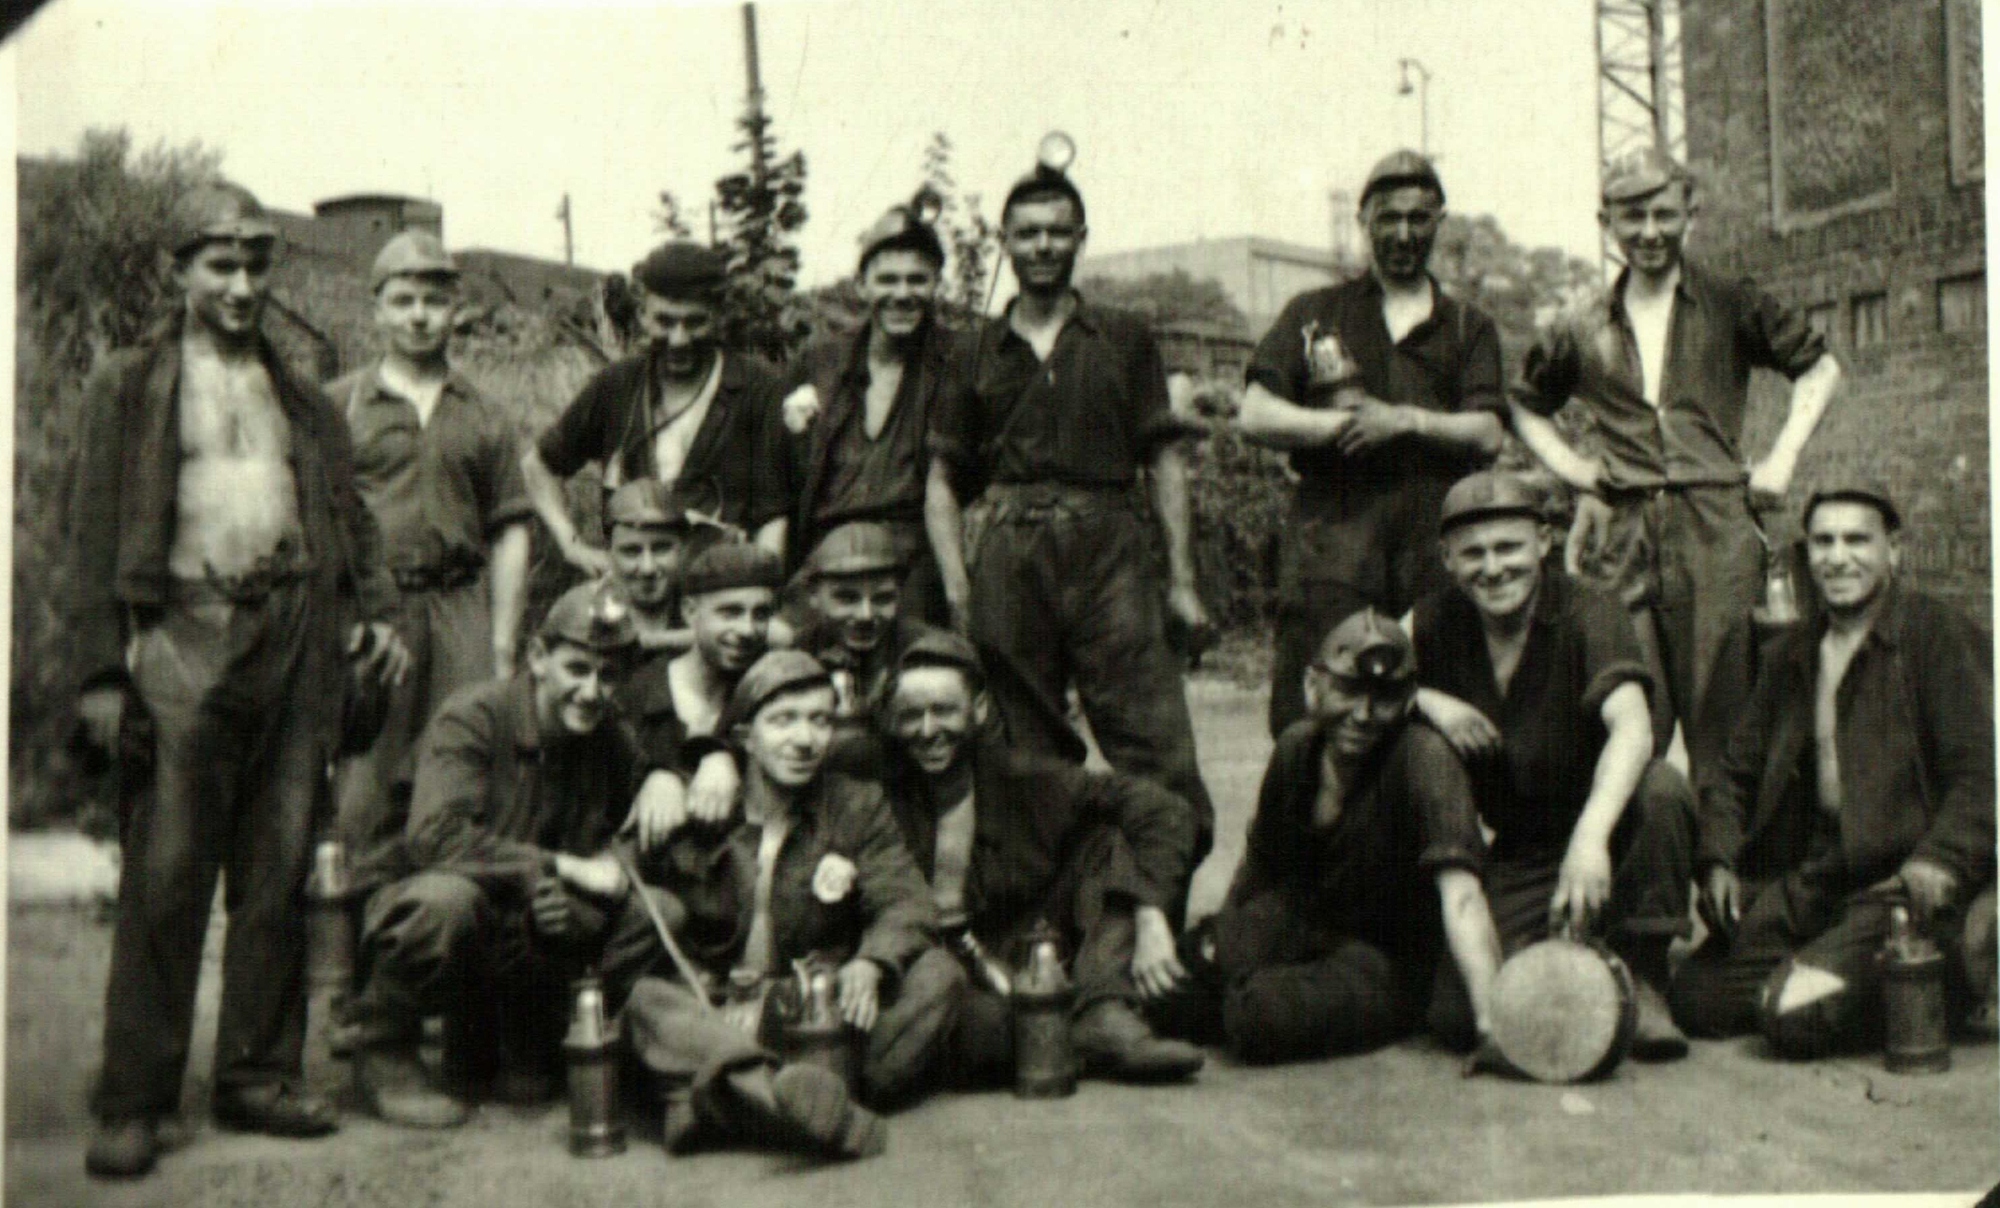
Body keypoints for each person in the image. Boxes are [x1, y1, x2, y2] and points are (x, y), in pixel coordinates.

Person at [67, 182, 409, 1178]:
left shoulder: (300, 393)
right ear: (180, 269)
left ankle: (257, 1074)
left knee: (278, 868)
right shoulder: (130, 384)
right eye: (220, 264)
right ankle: (135, 1096)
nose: (242, 285)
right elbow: (90, 535)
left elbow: (349, 518)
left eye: (257, 264)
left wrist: (375, 612)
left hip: (295, 635)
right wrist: (101, 673)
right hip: (183, 632)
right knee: (167, 871)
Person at [1509, 147, 1842, 778]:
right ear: (1606, 222)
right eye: (1631, 218)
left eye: (1664, 214)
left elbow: (1820, 368)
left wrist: (1782, 459)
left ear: (1690, 213)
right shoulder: (1580, 324)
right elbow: (1523, 404)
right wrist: (1578, 472)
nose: (1649, 232)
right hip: (1623, 535)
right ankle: (1645, 840)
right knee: (1629, 719)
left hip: (1716, 532)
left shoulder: (1730, 301)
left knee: (1729, 727)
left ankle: (1725, 843)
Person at [925, 145, 1215, 869]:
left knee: (1155, 743)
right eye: (1027, 233)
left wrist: (1181, 583)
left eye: (1058, 231)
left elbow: (1163, 459)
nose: (1043, 246)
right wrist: (958, 585)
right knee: (1022, 753)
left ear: (1081, 239)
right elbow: (942, 479)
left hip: (1110, 549)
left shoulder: (1124, 337)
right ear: (1004, 241)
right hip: (1009, 551)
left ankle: (1154, 909)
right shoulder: (972, 350)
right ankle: (1051, 913)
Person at [1671, 483, 1995, 1055]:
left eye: (1856, 540)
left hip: (1902, 886)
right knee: (1697, 999)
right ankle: (1857, 974)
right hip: (1820, 879)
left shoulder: (1935, 634)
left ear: (1893, 550)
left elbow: (1980, 774)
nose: (1838, 558)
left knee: (1793, 1017)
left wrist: (1940, 861)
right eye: (1823, 542)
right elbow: (1736, 773)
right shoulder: (1792, 653)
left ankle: (1946, 973)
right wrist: (1718, 858)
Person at [347, 582, 684, 1128]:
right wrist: (562, 869)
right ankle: (383, 1047)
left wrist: (660, 782)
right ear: (538, 657)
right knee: (445, 902)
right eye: (577, 669)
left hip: (527, 929)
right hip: (434, 910)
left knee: (657, 912)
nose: (592, 691)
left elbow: (630, 831)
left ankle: (543, 1037)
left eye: (608, 675)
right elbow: (433, 838)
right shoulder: (474, 716)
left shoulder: (609, 737)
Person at [623, 651, 963, 1159]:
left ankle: (726, 1100)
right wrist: (661, 782)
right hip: (717, 1011)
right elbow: (624, 879)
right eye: (783, 720)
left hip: (815, 1012)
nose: (805, 739)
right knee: (645, 1001)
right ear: (745, 737)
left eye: (820, 720)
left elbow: (906, 902)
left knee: (940, 974)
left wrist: (871, 963)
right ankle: (806, 1109)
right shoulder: (697, 800)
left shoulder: (856, 803)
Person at [1413, 470, 1695, 1058]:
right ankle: (1576, 956)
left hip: (1609, 829)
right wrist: (1424, 699)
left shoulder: (1589, 608)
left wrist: (1590, 839)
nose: (1493, 568)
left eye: (1509, 547)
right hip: (1525, 847)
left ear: (1543, 541)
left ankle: (1643, 974)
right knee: (1455, 1013)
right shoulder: (1436, 619)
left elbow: (1633, 728)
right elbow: (1342, 683)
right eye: (1473, 553)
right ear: (1447, 558)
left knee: (1663, 789)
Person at [1235, 150, 1505, 738]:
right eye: (1388, 218)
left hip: (1431, 545)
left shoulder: (1467, 325)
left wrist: (1405, 420)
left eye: (1418, 218)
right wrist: (1338, 427)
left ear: (1438, 222)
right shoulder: (1315, 313)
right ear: (1364, 222)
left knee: (1439, 711)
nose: (1403, 234)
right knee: (1318, 710)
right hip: (1334, 537)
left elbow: (1487, 431)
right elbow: (1255, 413)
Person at [878, 630, 1206, 1083]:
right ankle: (1058, 1036)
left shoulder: (1031, 780)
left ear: (979, 709)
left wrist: (1149, 910)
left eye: (944, 710)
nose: (928, 730)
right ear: (891, 722)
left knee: (1106, 843)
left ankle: (1102, 1010)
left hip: (1020, 951)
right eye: (911, 715)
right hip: (932, 972)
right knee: (978, 1029)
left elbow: (1164, 810)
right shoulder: (874, 790)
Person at [1211, 609, 1502, 1063]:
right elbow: (1260, 863)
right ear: (1313, 686)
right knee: (1183, 976)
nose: (1363, 715)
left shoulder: (1424, 758)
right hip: (1305, 925)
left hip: (1384, 956)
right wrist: (1224, 938)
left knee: (1259, 1016)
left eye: (1384, 697)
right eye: (1348, 691)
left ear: (1408, 699)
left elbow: (1462, 895)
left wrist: (1493, 1025)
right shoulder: (1296, 748)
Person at [328, 230, 533, 867]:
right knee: (364, 787)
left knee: (463, 772)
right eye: (403, 300)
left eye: (434, 301)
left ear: (456, 310)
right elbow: (319, 525)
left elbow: (511, 531)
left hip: (460, 608)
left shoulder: (486, 414)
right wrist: (342, 623)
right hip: (378, 615)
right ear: (377, 309)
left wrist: (502, 645)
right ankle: (359, 916)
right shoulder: (340, 407)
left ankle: (453, 912)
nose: (419, 316)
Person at [522, 240, 793, 573]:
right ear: (642, 314)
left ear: (719, 316)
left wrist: (759, 583)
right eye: (665, 322)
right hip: (635, 580)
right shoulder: (617, 385)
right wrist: (572, 544)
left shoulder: (759, 390)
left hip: (721, 586)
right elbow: (538, 466)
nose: (679, 339)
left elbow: (774, 515)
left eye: (695, 322)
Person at [780, 195, 965, 622]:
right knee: (781, 646)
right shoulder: (820, 362)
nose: (902, 294)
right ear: (861, 285)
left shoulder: (959, 362)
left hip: (911, 565)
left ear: (936, 284)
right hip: (827, 555)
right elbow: (782, 475)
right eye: (887, 280)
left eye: (917, 280)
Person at [616, 534, 783, 851]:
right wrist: (655, 777)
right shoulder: (636, 694)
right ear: (690, 612)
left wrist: (725, 754)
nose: (747, 629)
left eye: (760, 614)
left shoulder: (770, 694)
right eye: (730, 612)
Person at [790, 522, 945, 776]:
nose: (866, 615)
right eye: (847, 598)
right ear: (813, 595)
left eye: (883, 598)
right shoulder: (796, 654)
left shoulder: (930, 653)